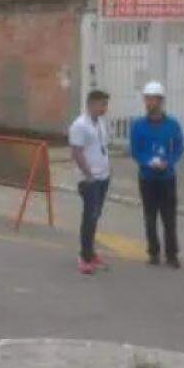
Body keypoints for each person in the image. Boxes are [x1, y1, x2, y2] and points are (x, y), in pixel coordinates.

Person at [130, 81, 184, 269]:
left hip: (167, 177)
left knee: (169, 217)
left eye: (153, 99)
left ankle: (172, 254)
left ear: (161, 101)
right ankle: (153, 252)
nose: (149, 103)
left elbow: (178, 148)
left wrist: (168, 162)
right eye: (147, 99)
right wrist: (148, 162)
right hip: (147, 178)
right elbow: (136, 150)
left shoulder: (172, 125)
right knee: (150, 217)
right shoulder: (138, 125)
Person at [69, 90, 111, 275]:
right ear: (92, 104)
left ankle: (91, 251)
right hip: (89, 179)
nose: (105, 108)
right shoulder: (79, 125)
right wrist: (88, 174)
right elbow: (77, 152)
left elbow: (100, 147)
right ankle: (84, 256)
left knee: (96, 215)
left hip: (103, 176)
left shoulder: (99, 122)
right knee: (89, 216)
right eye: (102, 104)